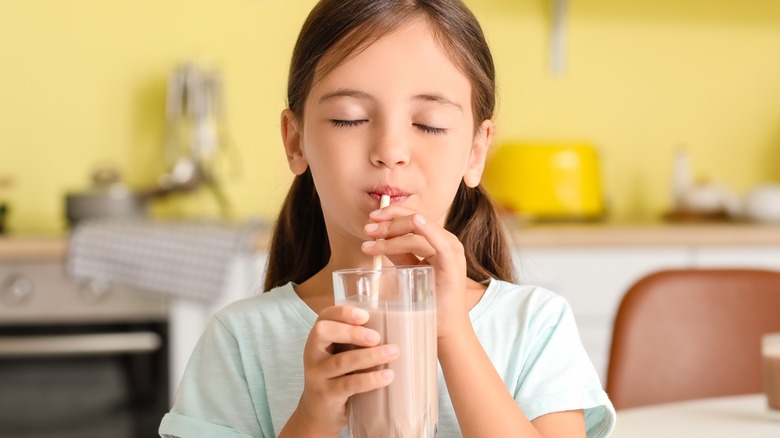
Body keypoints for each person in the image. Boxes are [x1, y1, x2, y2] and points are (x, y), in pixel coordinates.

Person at [159, 0, 616, 436]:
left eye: (430, 124)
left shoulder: (535, 325)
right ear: (295, 141)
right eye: (348, 118)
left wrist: (453, 334)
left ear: (477, 151)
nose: (390, 151)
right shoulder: (240, 340)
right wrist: (313, 419)